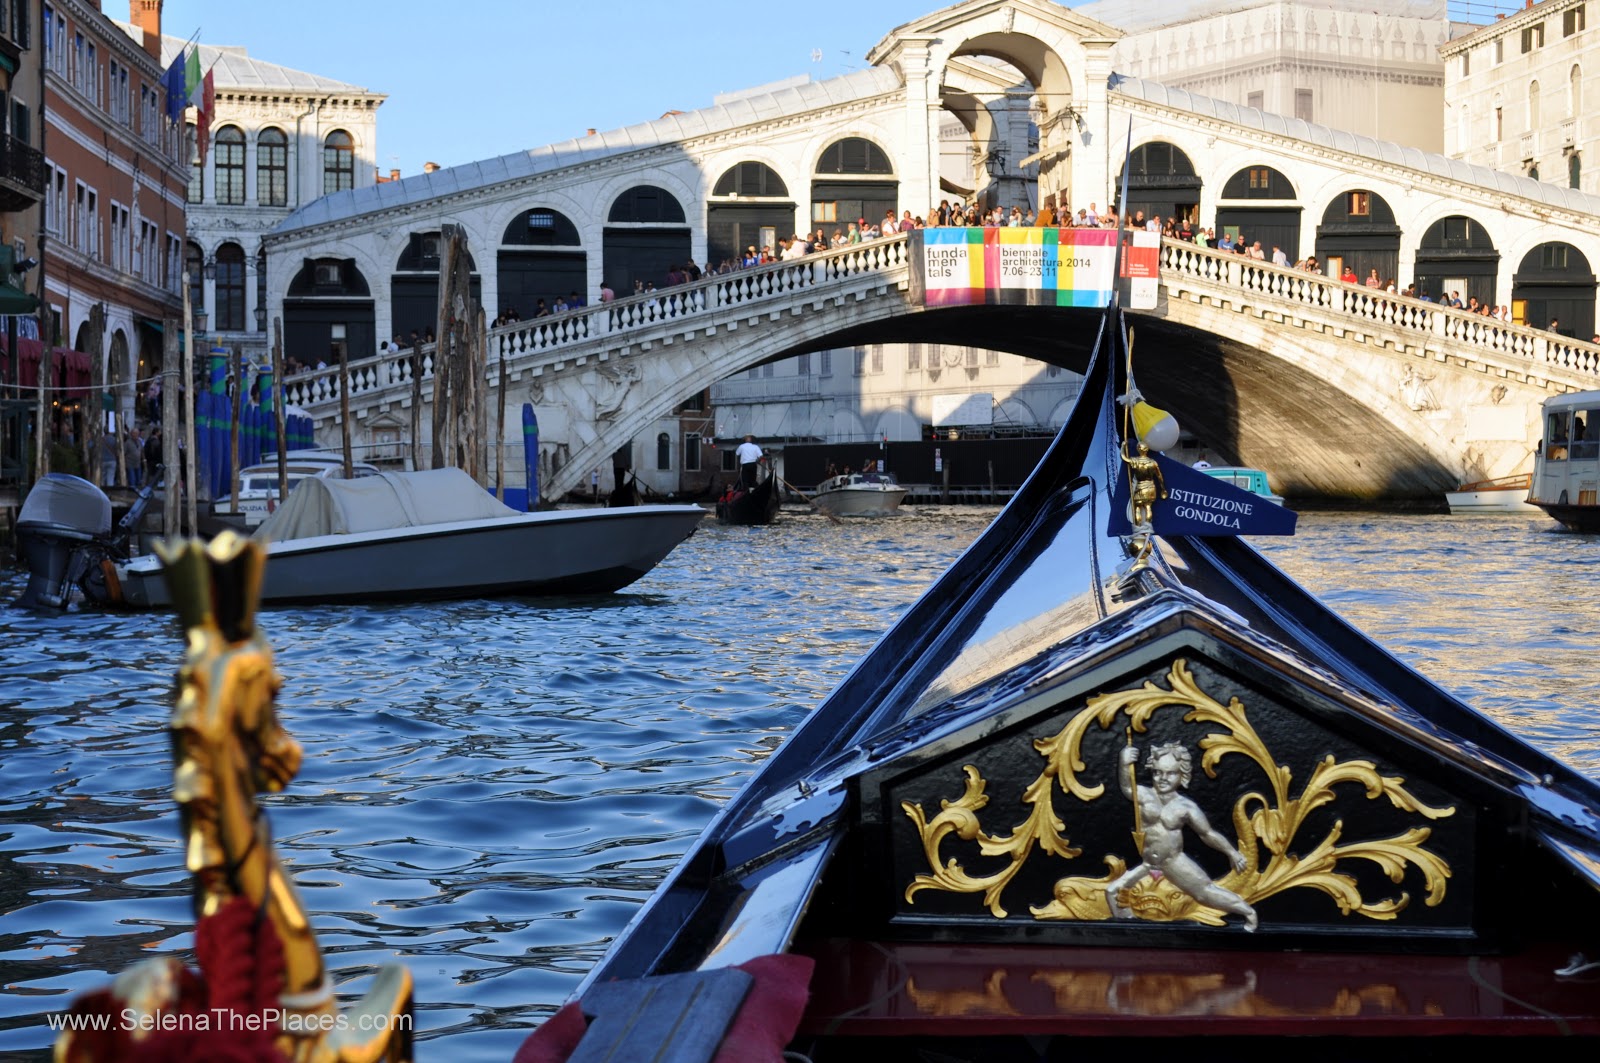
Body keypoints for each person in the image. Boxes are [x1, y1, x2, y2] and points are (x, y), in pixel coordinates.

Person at [1106, 742, 1258, 932]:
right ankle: (1128, 926)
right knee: (1112, 891)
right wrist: (1123, 762)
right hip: (1148, 863)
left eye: (1170, 773)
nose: (1162, 778)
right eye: (1157, 772)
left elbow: (1207, 834)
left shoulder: (1186, 807)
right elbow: (1127, 787)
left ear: (1182, 775)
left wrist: (1231, 853)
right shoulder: (1144, 795)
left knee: (1204, 893)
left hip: (1173, 862)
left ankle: (1247, 912)